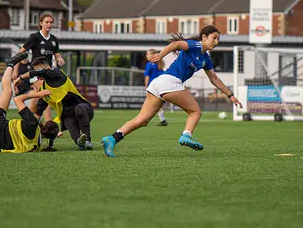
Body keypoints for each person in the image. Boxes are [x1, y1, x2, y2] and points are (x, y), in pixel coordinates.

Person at [101, 25, 242, 157]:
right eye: (214, 38)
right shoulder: (196, 45)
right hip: (169, 81)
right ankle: (186, 136)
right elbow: (176, 44)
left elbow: (214, 78)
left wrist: (230, 95)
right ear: (204, 37)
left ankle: (112, 138)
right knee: (195, 112)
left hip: (159, 83)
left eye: (218, 39)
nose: (216, 42)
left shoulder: (206, 59)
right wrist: (161, 55)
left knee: (142, 120)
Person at [13, 56, 95, 151]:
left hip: (85, 109)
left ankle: (88, 141)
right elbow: (38, 114)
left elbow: (41, 72)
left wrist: (20, 78)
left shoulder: (57, 73)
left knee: (79, 109)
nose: (37, 74)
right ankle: (80, 142)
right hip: (68, 115)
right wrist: (28, 129)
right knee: (67, 121)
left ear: (47, 67)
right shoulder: (43, 90)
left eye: (38, 69)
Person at [0, 52, 59, 153]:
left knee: (8, 91)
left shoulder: (32, 123)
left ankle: (10, 64)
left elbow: (17, 99)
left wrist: (38, 94)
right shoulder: (36, 145)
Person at [17, 12, 64, 124]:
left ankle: (26, 121)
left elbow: (57, 55)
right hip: (36, 72)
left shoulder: (53, 39)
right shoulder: (35, 37)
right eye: (47, 22)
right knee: (45, 95)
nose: (49, 24)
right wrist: (14, 68)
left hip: (48, 73)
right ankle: (48, 124)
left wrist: (60, 59)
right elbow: (21, 52)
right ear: (41, 23)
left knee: (37, 97)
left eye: (51, 22)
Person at [144, 49, 168, 126]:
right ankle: (162, 120)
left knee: (150, 104)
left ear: (152, 55)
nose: (146, 56)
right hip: (161, 85)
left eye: (148, 54)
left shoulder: (149, 64)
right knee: (156, 104)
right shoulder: (159, 63)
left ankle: (144, 120)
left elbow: (147, 76)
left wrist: (146, 85)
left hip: (152, 86)